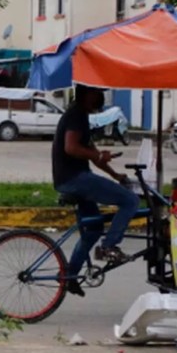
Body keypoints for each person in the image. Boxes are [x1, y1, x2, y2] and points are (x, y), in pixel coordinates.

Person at [52, 84, 139, 297]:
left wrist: (116, 175)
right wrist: (98, 156)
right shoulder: (76, 115)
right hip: (74, 179)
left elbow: (92, 154)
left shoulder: (81, 116)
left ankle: (69, 275)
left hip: (72, 178)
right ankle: (109, 246)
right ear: (87, 94)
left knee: (93, 229)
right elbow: (71, 147)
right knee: (130, 201)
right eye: (98, 93)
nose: (101, 97)